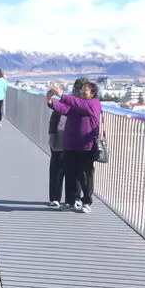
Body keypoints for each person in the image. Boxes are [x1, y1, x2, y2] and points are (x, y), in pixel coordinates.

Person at [46, 78, 100, 211]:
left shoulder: (93, 104)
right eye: (81, 89)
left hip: (85, 145)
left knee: (85, 174)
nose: (82, 91)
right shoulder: (77, 105)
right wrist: (50, 101)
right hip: (70, 144)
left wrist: (62, 95)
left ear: (93, 93)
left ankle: (86, 201)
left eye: (85, 90)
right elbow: (64, 109)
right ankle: (70, 200)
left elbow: (79, 105)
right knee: (70, 173)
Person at [46, 82, 67, 207]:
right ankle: (55, 197)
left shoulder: (76, 103)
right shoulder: (64, 104)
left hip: (67, 139)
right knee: (57, 168)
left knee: (61, 169)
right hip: (57, 138)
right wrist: (49, 99)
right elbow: (54, 106)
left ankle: (71, 198)